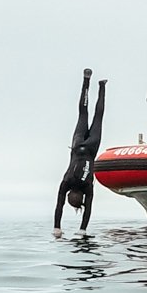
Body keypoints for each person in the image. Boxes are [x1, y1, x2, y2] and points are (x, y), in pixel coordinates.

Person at [54, 69, 106, 238]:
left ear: (82, 198)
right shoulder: (66, 182)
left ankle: (102, 87)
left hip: (91, 147)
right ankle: (86, 80)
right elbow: (59, 206)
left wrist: (82, 229)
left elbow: (87, 211)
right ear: (69, 193)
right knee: (83, 113)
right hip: (77, 144)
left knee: (98, 116)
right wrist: (56, 227)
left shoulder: (88, 187)